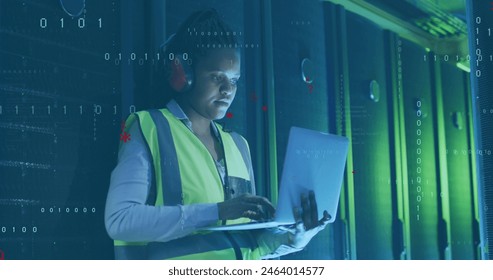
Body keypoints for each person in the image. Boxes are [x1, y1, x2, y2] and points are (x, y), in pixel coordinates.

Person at [104, 8, 330, 260]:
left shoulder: (238, 146)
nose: (227, 90)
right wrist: (218, 211)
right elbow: (119, 220)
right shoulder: (147, 127)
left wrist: (294, 239)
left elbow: (249, 246)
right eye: (216, 77)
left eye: (234, 80)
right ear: (184, 74)